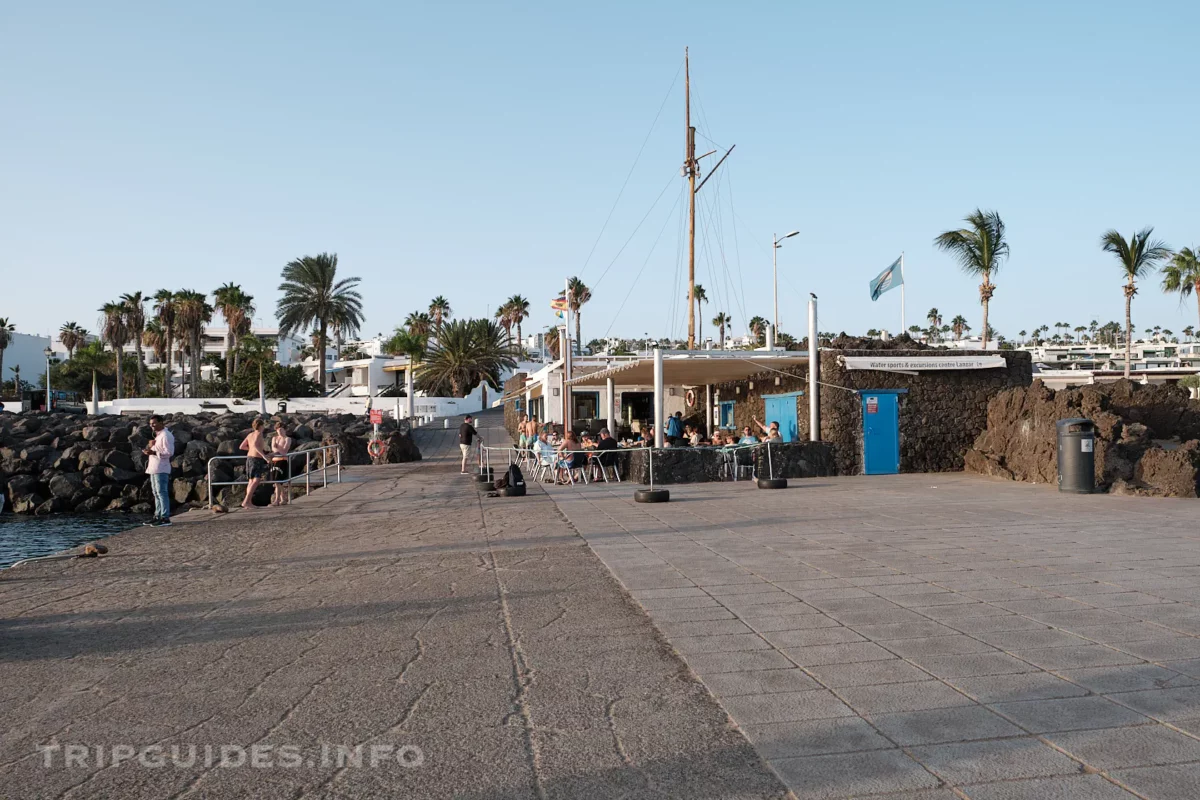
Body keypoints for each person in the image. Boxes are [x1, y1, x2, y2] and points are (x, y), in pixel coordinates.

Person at [141, 415, 175, 527]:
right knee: (156, 493)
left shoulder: (166, 435)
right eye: (150, 424)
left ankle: (165, 517)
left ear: (161, 422)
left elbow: (169, 453)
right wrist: (150, 449)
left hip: (162, 468)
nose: (152, 426)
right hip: (154, 467)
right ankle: (158, 515)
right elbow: (158, 450)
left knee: (162, 492)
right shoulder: (158, 436)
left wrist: (153, 453)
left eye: (154, 423)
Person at [239, 418, 269, 509]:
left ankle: (249, 502)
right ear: (260, 426)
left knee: (251, 481)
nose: (264, 427)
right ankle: (246, 501)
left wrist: (251, 449)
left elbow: (242, 446)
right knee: (256, 480)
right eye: (263, 425)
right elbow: (256, 445)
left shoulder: (250, 434)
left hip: (249, 458)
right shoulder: (259, 433)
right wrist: (264, 455)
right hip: (256, 459)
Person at [269, 422, 294, 506]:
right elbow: (273, 448)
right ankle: (283, 499)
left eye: (281, 429)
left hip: (282, 460)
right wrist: (276, 450)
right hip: (274, 460)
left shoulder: (287, 439)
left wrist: (276, 450)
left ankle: (276, 500)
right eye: (277, 429)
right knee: (276, 482)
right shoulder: (274, 438)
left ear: (284, 429)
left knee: (278, 481)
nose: (279, 431)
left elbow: (284, 451)